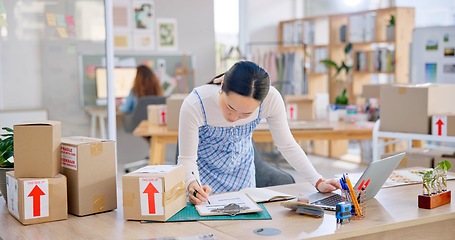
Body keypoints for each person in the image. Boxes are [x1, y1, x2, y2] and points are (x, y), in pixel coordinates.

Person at [177, 60, 341, 205]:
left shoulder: (271, 99)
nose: (234, 117)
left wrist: (318, 181)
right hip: (204, 180)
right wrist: (193, 185)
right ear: (222, 86)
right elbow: (187, 159)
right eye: (230, 108)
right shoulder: (196, 104)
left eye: (246, 114)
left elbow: (287, 145)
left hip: (243, 178)